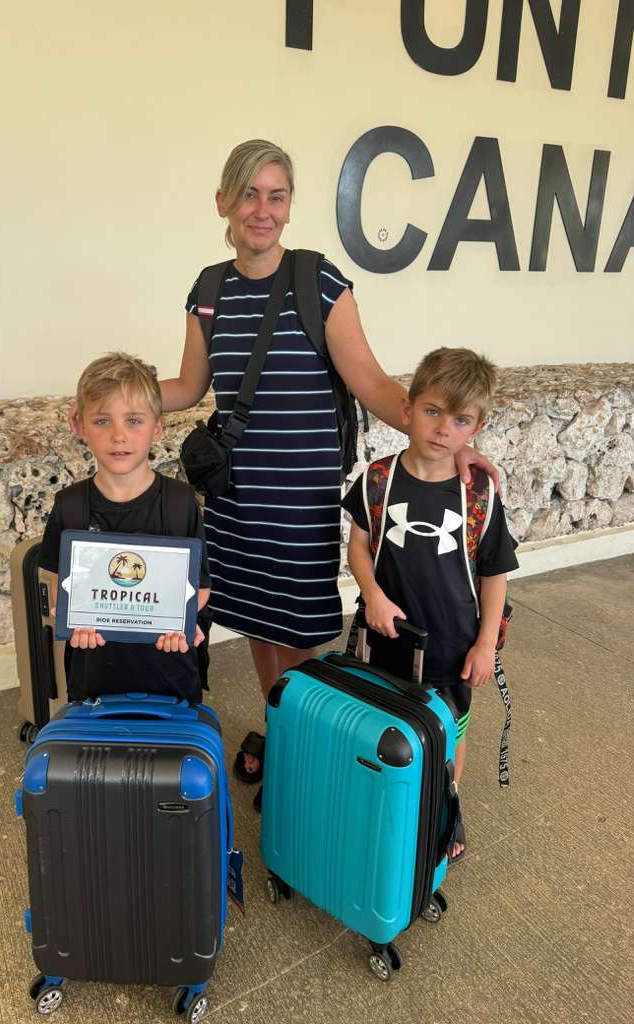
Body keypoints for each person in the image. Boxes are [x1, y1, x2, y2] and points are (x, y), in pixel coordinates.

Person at [158, 139, 498, 795]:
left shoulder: (319, 282)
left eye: (276, 196)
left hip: (301, 498)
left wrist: (446, 440)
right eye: (249, 194)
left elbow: (370, 381)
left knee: (298, 629)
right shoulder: (208, 290)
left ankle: (308, 744)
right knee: (258, 623)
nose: (262, 210)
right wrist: (114, 397)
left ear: (290, 206)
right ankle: (282, 728)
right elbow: (189, 385)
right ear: (223, 202)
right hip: (235, 496)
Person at [342, 347, 519, 862]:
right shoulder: (377, 480)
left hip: (452, 645)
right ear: (408, 409)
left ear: (477, 428)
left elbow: (495, 573)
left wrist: (485, 645)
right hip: (385, 637)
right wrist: (373, 595)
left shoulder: (478, 494)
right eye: (433, 411)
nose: (443, 429)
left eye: (460, 420)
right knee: (384, 719)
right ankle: (386, 800)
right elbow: (358, 546)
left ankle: (445, 806)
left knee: (447, 732)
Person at [41, 352, 211, 704]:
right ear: (79, 425)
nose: (119, 436)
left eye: (133, 420)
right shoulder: (69, 506)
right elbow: (57, 580)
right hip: (93, 675)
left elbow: (201, 586)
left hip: (171, 671)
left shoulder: (180, 503)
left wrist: (179, 621)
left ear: (158, 426)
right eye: (102, 421)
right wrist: (71, 615)